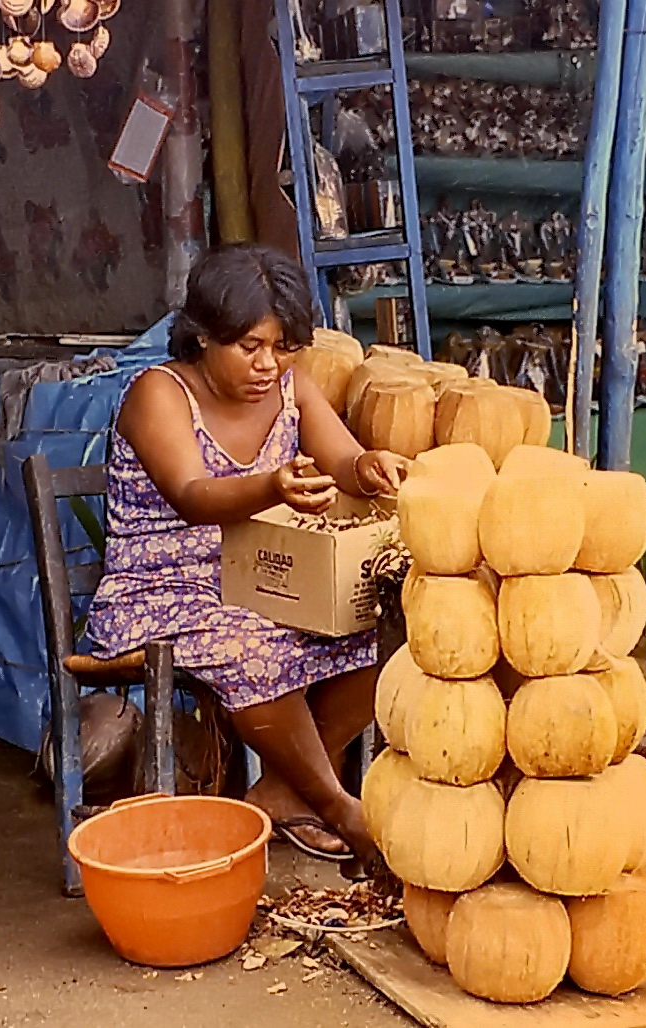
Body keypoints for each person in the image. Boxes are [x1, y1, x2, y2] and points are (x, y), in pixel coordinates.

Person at [84, 243, 411, 869]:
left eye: (283, 346)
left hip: (262, 581)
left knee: (389, 628)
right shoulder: (158, 393)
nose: (268, 364)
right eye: (249, 346)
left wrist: (368, 468)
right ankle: (340, 805)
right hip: (159, 591)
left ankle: (281, 793)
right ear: (204, 336)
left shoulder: (291, 387)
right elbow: (192, 494)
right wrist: (271, 486)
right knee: (248, 645)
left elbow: (343, 458)